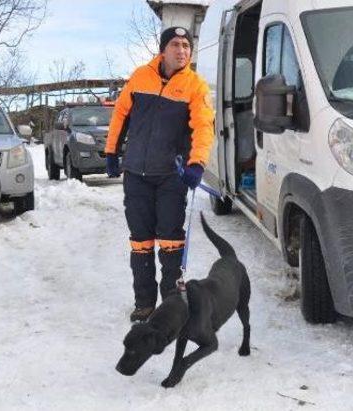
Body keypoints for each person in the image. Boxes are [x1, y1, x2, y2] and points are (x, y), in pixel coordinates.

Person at [105, 26, 215, 322]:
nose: (182, 51)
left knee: (170, 241)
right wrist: (112, 152)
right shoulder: (140, 76)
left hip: (171, 176)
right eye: (176, 45)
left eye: (186, 46)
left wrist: (197, 164)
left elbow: (204, 127)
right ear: (163, 49)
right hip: (137, 175)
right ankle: (144, 303)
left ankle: (171, 305)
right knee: (140, 241)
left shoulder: (196, 86)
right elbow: (120, 115)